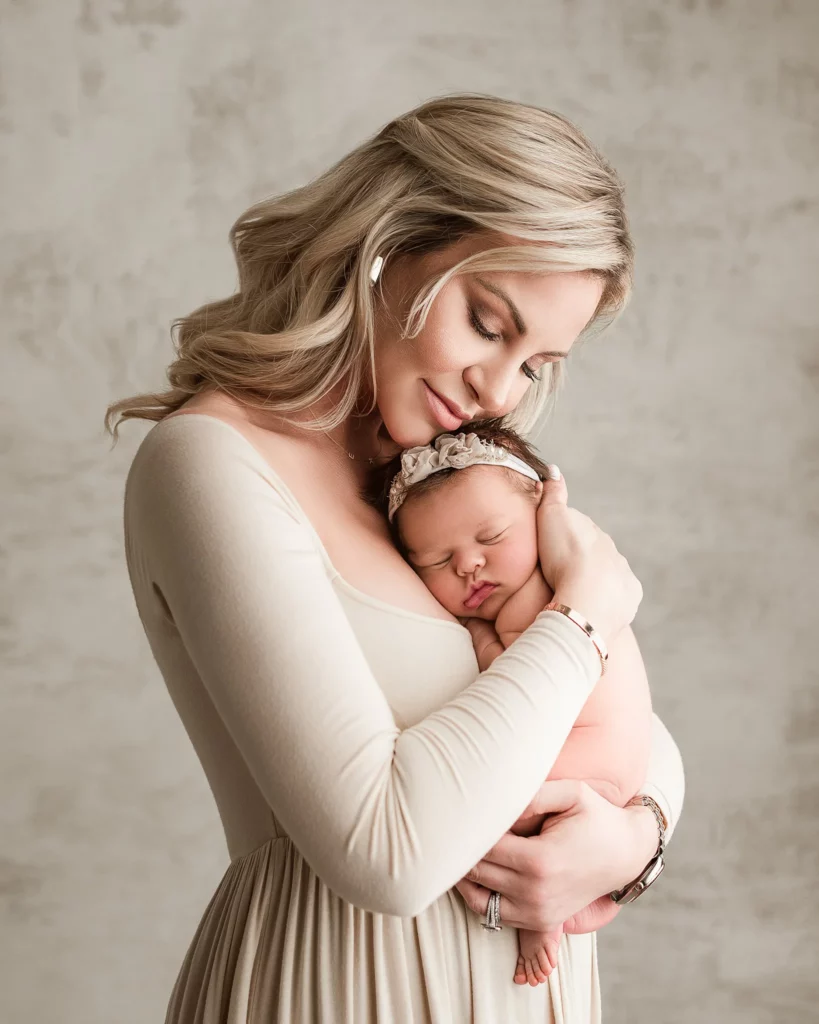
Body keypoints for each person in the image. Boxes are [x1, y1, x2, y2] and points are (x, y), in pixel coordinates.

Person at [106, 93, 685, 1023]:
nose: (498, 388)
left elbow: (628, 721)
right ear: (386, 244)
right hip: (328, 987)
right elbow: (388, 853)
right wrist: (585, 614)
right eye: (489, 324)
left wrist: (633, 837)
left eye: (534, 361)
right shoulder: (210, 463)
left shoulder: (441, 490)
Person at [365, 421, 653, 986]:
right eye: (434, 561)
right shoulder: (564, 586)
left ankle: (541, 919)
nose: (468, 565)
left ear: (546, 517)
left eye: (491, 538)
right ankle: (557, 908)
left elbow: (518, 701)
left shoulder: (543, 596)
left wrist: (481, 641)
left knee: (491, 819)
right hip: (611, 780)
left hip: (579, 771)